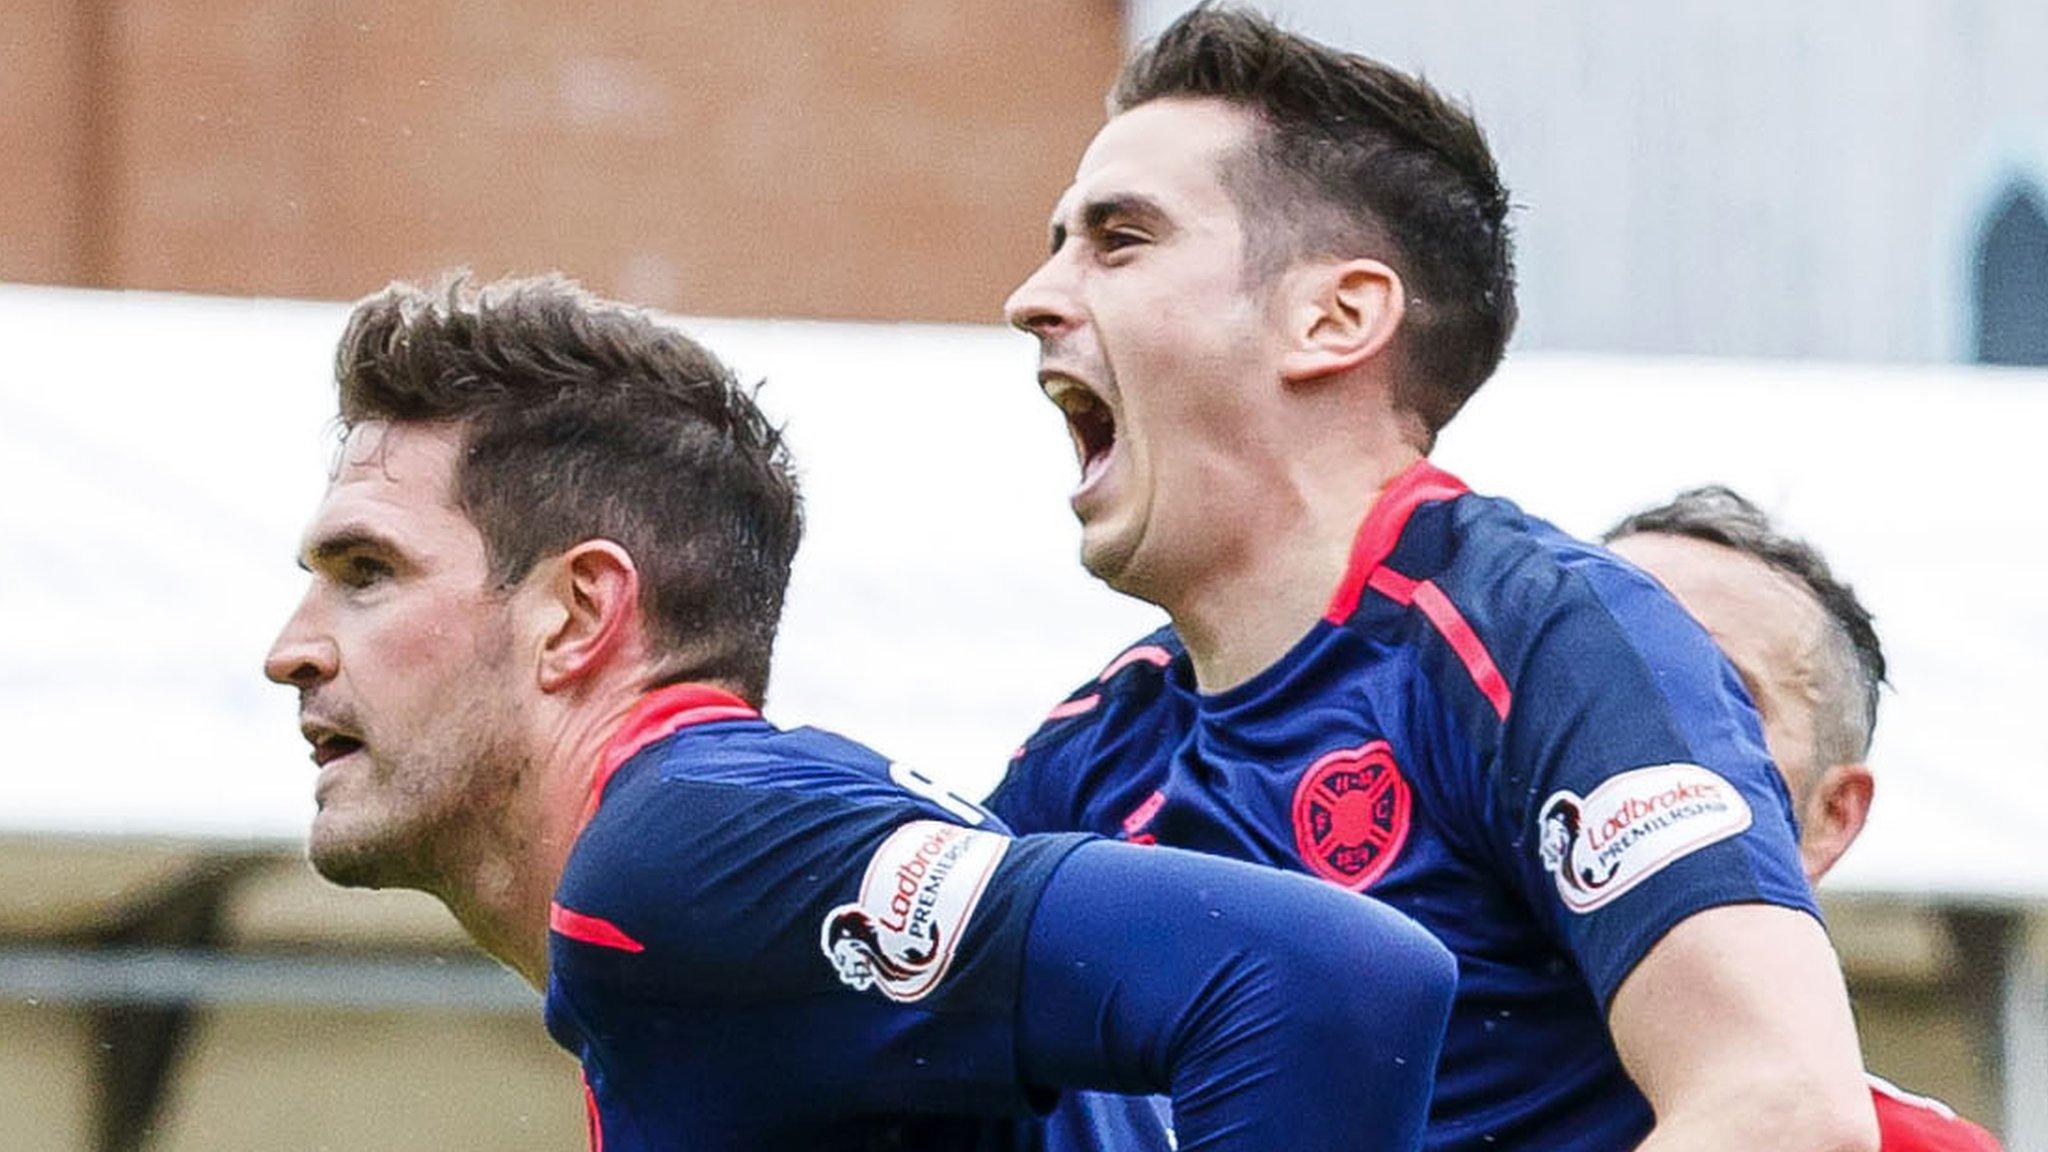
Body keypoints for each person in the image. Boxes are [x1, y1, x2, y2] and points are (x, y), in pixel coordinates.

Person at [261, 274, 1458, 1152]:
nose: (290, 650)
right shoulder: (709, 880)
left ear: (578, 615)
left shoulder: (680, 853)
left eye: (366, 571)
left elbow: (1330, 978)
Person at [992, 6, 1876, 1149]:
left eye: (1118, 240)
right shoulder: (1091, 750)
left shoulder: (1545, 639)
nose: (1033, 296)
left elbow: (1781, 1108)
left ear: (1333, 318)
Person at [1606, 487, 2005, 1152]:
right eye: (1578, 677)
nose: (1614, 729)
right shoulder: (1387, 1071)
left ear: (1830, 817)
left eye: (1717, 694)